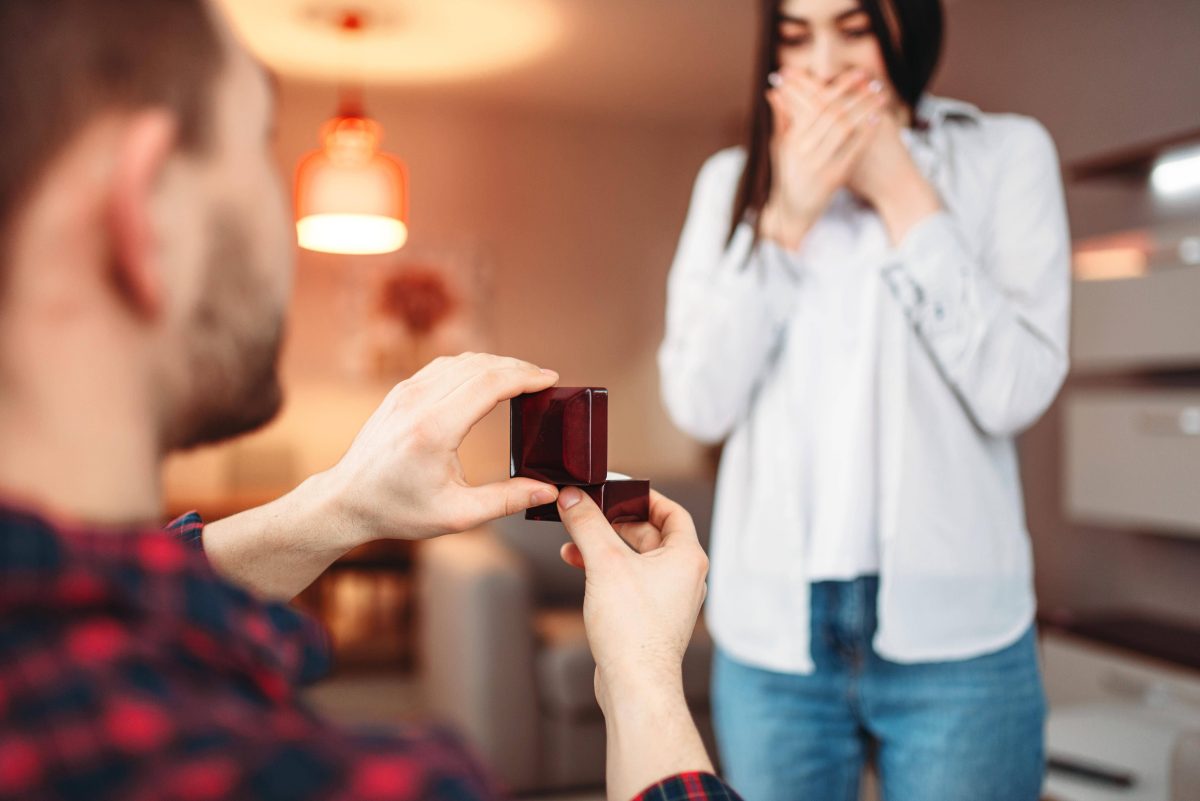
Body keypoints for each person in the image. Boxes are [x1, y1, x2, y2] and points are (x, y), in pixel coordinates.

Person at [0, 2, 739, 800]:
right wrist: (641, 673)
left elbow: (143, 594)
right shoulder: (360, 781)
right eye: (262, 146)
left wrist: (339, 504)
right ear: (146, 216)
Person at [657, 0, 1070, 798]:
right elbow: (699, 401)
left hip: (959, 637)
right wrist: (787, 219)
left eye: (853, 30)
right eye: (796, 36)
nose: (823, 65)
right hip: (773, 635)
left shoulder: (1006, 154)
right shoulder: (730, 182)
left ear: (908, 26)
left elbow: (1015, 391)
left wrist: (899, 189)